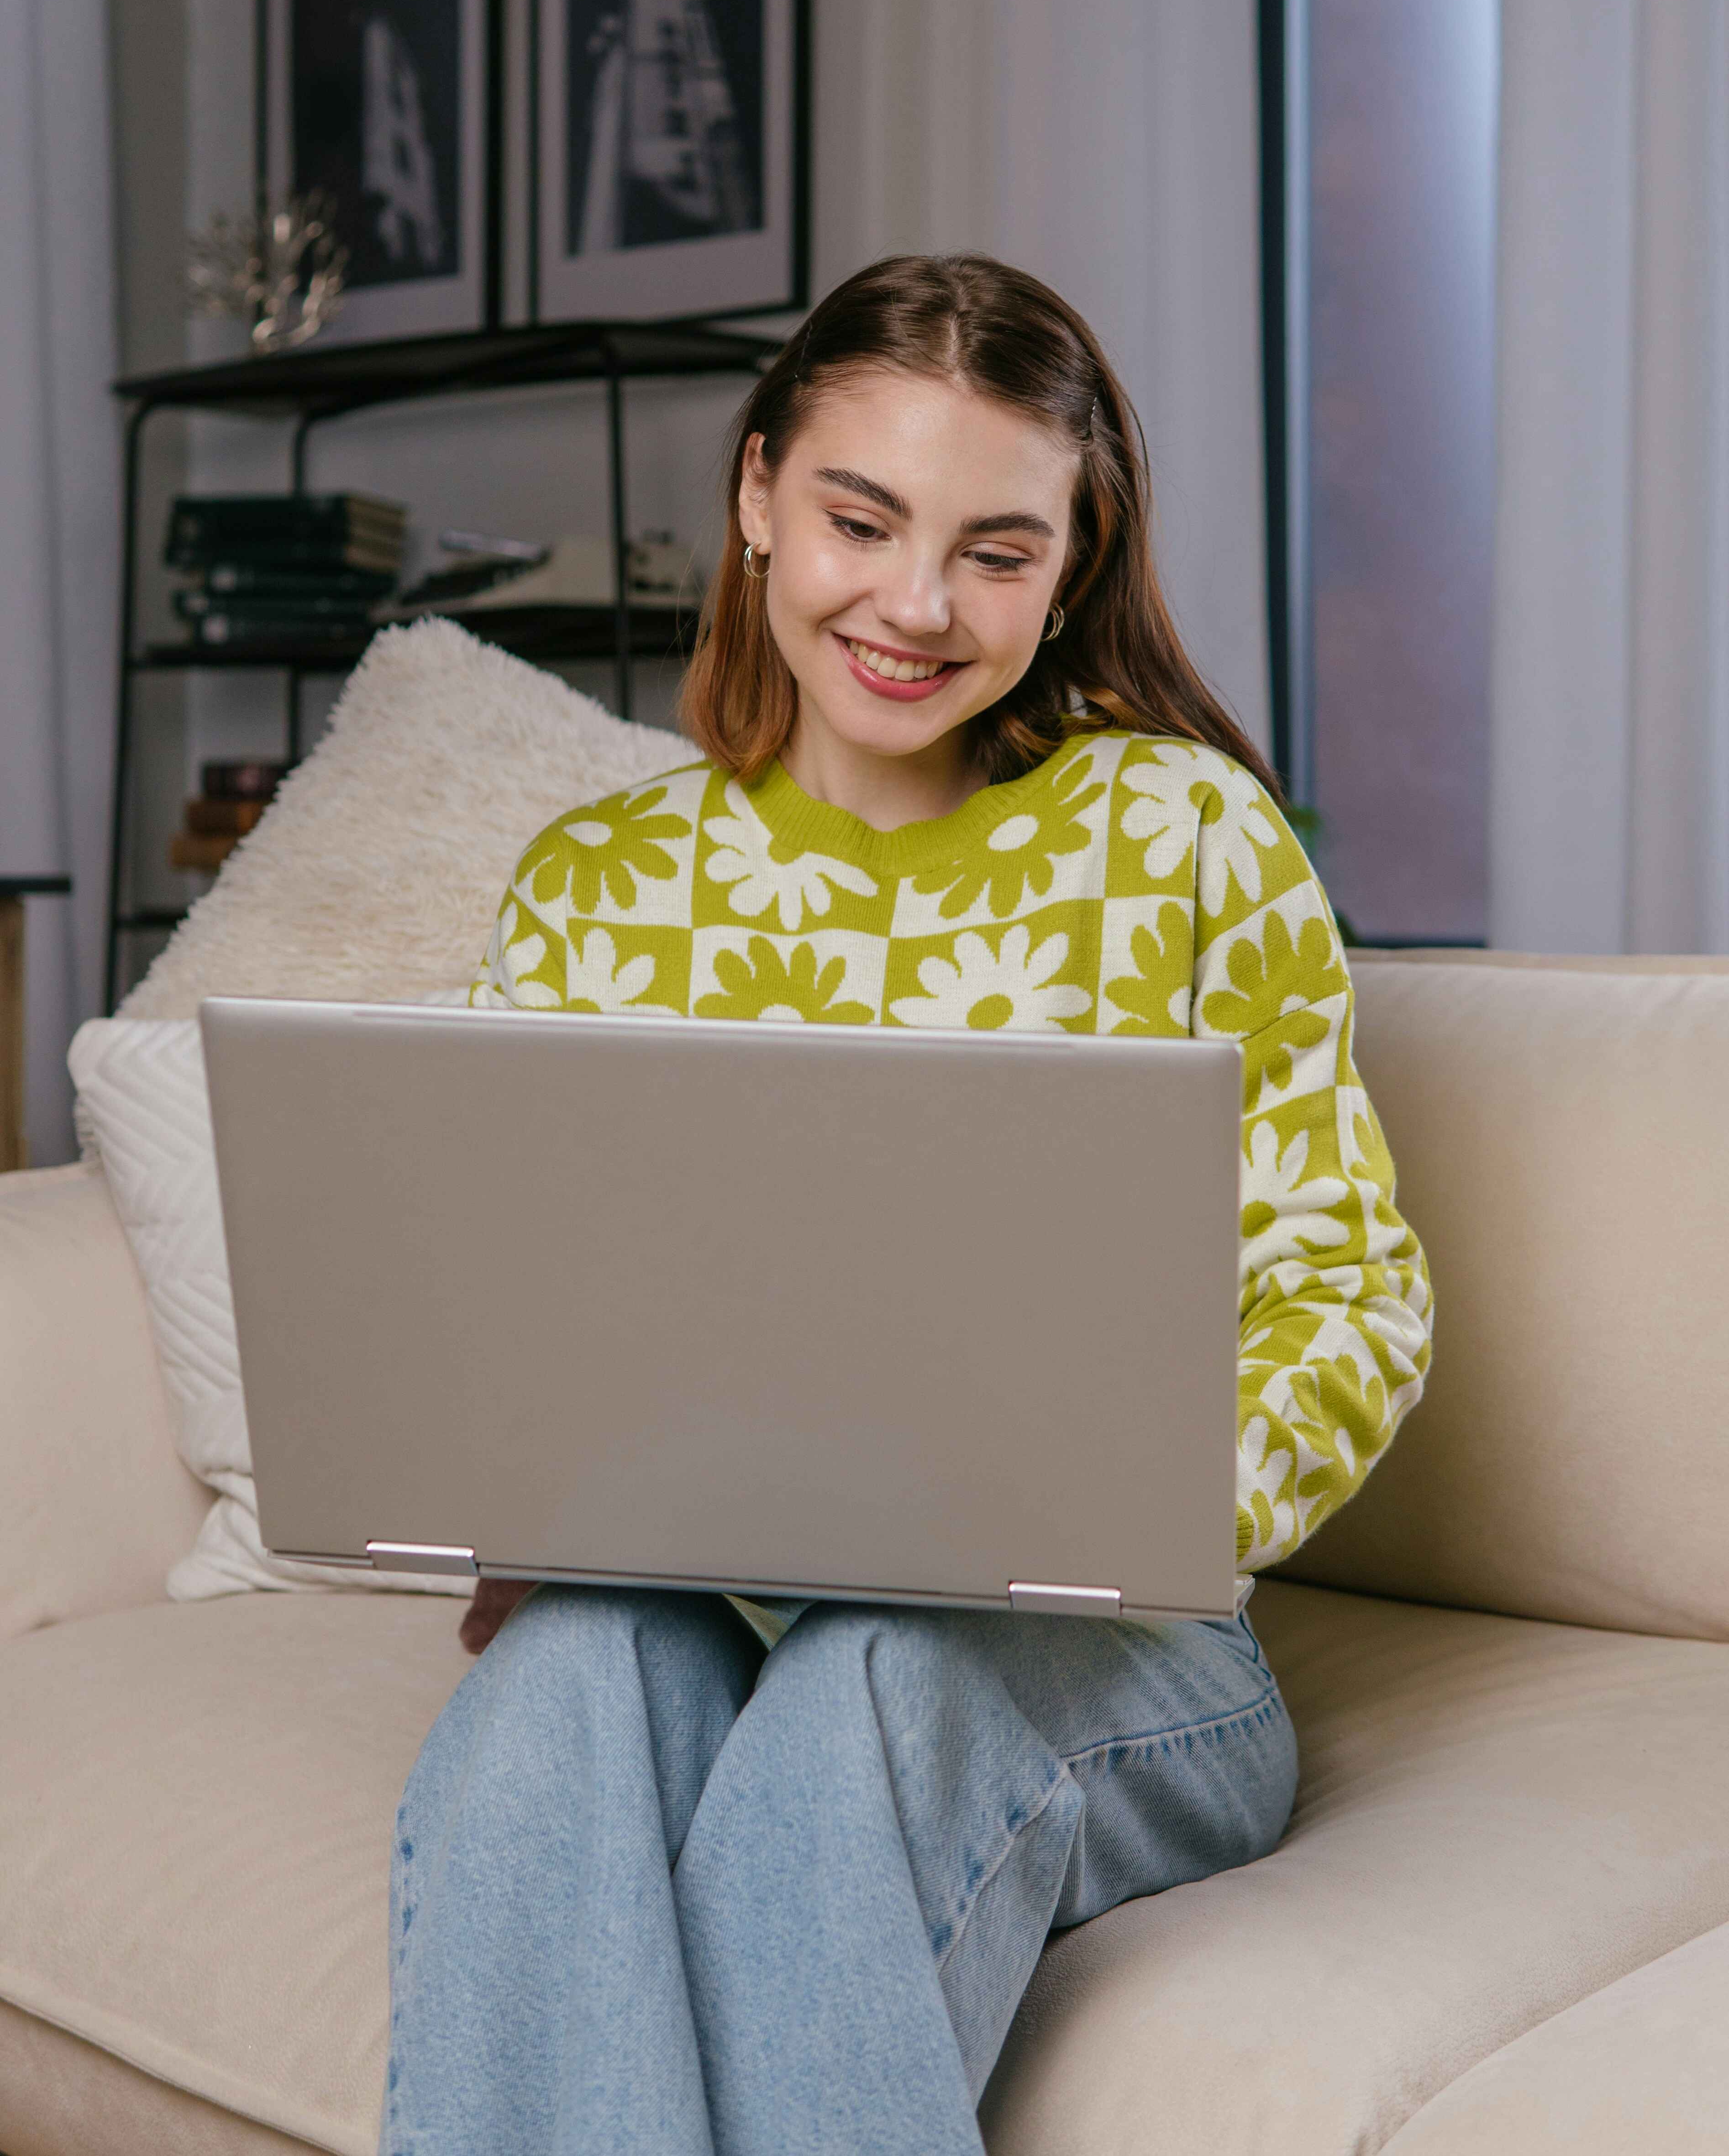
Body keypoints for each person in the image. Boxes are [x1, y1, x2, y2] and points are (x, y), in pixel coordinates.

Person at [380, 253, 1431, 2156]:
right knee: (552, 1689)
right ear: (758, 492)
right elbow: (510, 1301)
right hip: (706, 1605)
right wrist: (509, 1479)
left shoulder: (1181, 833)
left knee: (871, 1676)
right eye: (861, 519)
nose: (916, 602)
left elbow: (1344, 1291)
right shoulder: (596, 881)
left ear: (1072, 558)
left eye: (997, 549)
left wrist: (1129, 1513)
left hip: (1105, 1652)